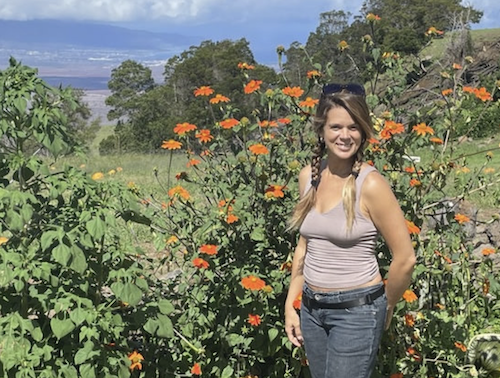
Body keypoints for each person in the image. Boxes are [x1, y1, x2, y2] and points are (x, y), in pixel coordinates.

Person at [284, 83, 416, 378]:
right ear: (321, 129)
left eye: (354, 127)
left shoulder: (370, 185)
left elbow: (405, 258)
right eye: (336, 126)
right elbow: (305, 246)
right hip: (311, 310)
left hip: (356, 312)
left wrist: (387, 304)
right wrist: (291, 304)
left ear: (364, 131)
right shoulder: (309, 177)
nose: (345, 135)